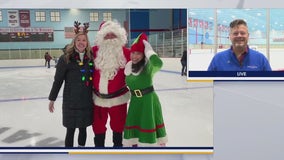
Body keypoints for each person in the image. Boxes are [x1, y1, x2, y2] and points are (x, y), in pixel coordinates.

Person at [48, 21, 94, 147]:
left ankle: (81, 152)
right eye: (78, 40)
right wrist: (52, 99)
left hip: (86, 101)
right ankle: (69, 154)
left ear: (87, 42)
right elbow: (58, 80)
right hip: (71, 102)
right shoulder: (66, 58)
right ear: (74, 41)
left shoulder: (91, 57)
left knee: (83, 129)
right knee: (71, 130)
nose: (81, 42)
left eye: (84, 40)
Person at [123, 33, 168, 147]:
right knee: (134, 132)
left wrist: (149, 51)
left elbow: (159, 63)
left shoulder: (149, 67)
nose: (134, 56)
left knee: (147, 125)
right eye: (133, 52)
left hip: (148, 102)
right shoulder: (128, 67)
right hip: (135, 102)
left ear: (144, 54)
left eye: (138, 53)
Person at [92, 20, 131, 147]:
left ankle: (117, 149)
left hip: (118, 99)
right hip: (98, 99)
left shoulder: (127, 53)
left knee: (119, 127)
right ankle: (99, 150)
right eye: (106, 35)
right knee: (98, 127)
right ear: (101, 37)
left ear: (119, 36)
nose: (109, 38)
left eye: (112, 35)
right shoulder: (93, 52)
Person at [207, 19, 272, 71]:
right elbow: (208, 84)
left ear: (248, 36)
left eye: (242, 33)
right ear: (230, 36)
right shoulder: (218, 59)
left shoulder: (260, 59)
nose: (239, 36)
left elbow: (271, 85)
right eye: (235, 33)